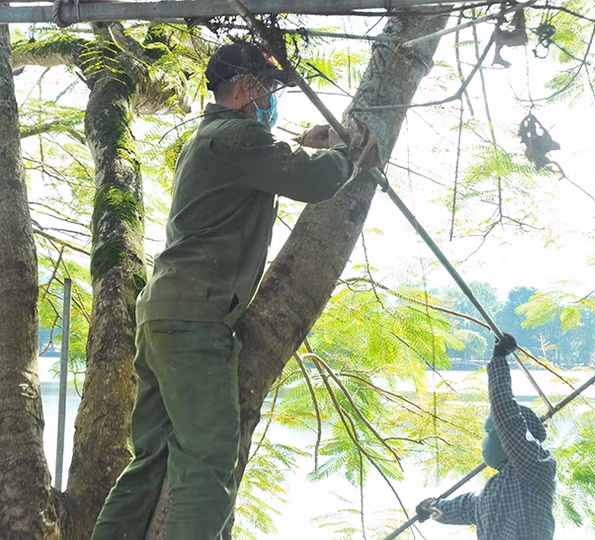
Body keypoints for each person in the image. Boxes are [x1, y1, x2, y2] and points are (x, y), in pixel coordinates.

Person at [91, 41, 380, 540]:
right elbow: (311, 180)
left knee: (152, 460)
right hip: (195, 323)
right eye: (268, 89)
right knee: (208, 464)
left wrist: (307, 143)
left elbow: (271, 161)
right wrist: (345, 154)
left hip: (162, 314)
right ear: (247, 87)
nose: (272, 100)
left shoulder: (211, 137)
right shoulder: (239, 138)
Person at [416, 334, 556, 540]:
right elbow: (466, 507)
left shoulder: (535, 466)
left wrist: (499, 360)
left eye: (490, 433)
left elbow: (507, 415)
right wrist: (432, 508)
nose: (486, 441)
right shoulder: (495, 489)